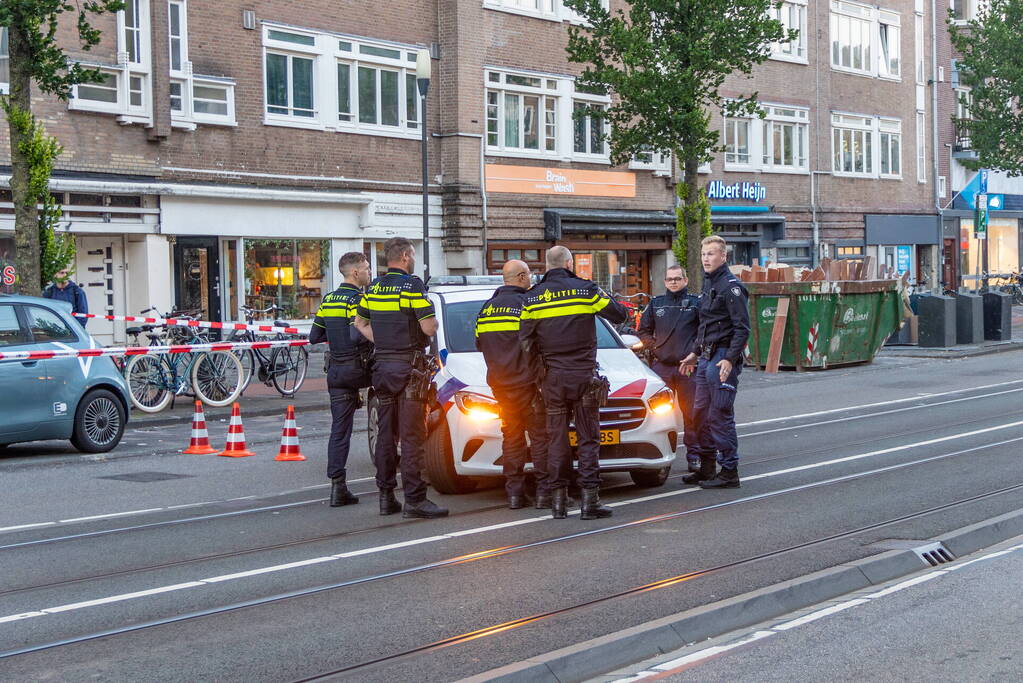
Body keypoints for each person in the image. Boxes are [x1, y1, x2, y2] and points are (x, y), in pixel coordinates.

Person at [520, 246, 628, 520]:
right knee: (588, 438)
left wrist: (540, 371)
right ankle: (589, 502)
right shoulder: (586, 290)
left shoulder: (532, 297)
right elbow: (619, 314)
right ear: (569, 263)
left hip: (552, 379)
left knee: (556, 439)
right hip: (583, 376)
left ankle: (558, 502)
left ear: (546, 265)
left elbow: (524, 341)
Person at [354, 237, 448, 519]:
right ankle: (415, 500)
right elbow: (429, 328)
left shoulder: (374, 287)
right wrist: (434, 321)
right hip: (409, 369)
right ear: (406, 256)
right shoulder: (413, 285)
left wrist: (382, 341)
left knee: (385, 435)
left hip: (382, 367)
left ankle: (386, 497)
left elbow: (360, 323)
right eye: (413, 255)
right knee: (411, 437)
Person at [474, 259, 549, 510]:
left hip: (501, 386)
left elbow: (479, 344)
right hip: (529, 385)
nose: (531, 279)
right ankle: (544, 493)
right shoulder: (527, 304)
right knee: (540, 438)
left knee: (512, 437)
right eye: (529, 275)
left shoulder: (486, 309)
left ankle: (515, 494)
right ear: (520, 277)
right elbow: (541, 343)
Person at [679, 235, 750, 489]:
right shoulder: (709, 285)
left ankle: (730, 471)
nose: (705, 258)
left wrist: (730, 359)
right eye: (703, 254)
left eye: (711, 253)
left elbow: (742, 329)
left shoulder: (731, 287)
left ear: (723, 256)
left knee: (719, 414)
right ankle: (707, 469)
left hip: (721, 358)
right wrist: (694, 353)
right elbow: (706, 325)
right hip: (706, 358)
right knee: (699, 415)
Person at [308, 252, 374, 508]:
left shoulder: (329, 299)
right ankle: (389, 484)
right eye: (367, 268)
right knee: (390, 406)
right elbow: (357, 335)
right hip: (359, 370)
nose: (370, 272)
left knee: (339, 431)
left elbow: (315, 336)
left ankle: (338, 487)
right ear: (355, 273)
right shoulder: (358, 299)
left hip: (336, 372)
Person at [637, 264, 701, 476]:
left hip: (688, 368)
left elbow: (704, 331)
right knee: (656, 416)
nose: (673, 282)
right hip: (661, 368)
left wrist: (694, 352)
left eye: (677, 278)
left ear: (685, 280)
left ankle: (695, 457)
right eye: (669, 279)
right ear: (664, 282)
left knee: (692, 414)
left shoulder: (696, 303)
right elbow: (643, 331)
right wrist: (653, 345)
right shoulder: (656, 304)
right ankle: (657, 459)